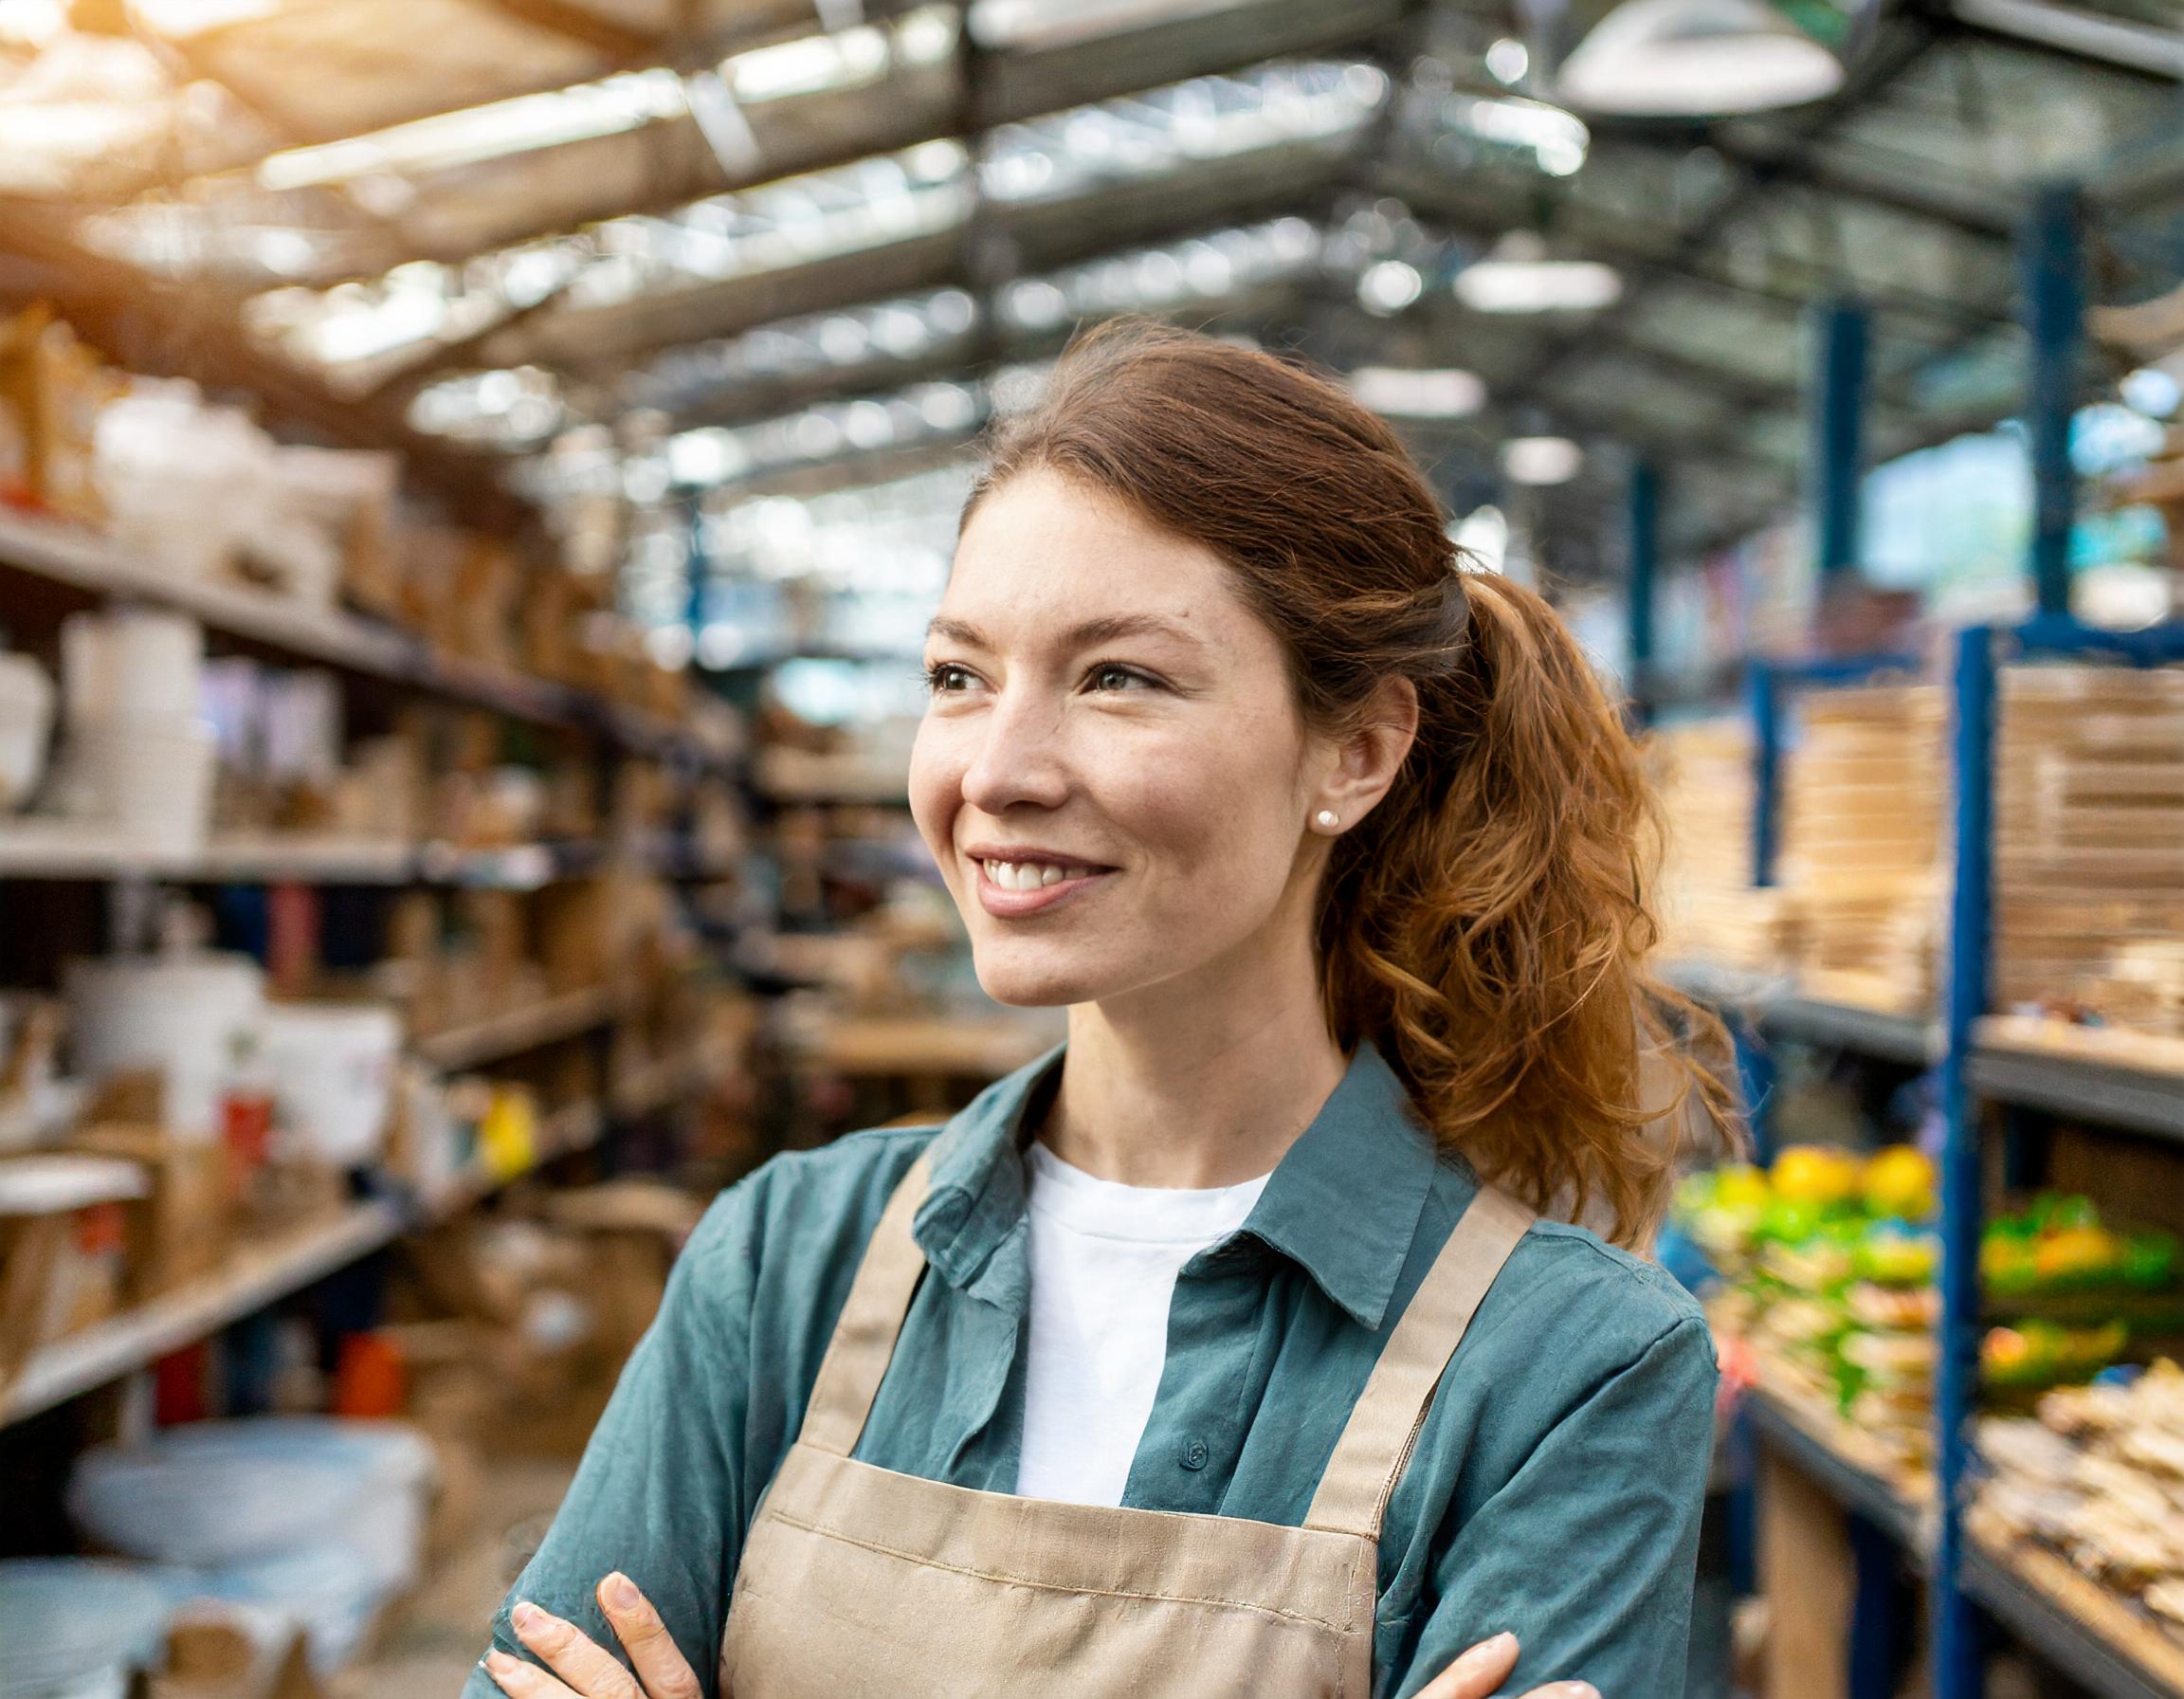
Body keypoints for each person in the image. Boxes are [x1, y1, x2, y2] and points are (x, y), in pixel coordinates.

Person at [470, 319, 1737, 1699]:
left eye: (1117, 677)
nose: (997, 769)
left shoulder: (1571, 1370)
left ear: (1359, 750)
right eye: (958, 677)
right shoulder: (783, 1259)